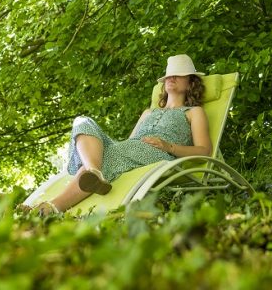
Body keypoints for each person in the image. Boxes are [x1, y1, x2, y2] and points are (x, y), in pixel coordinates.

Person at [27, 54, 212, 216]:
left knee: (107, 157)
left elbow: (204, 151)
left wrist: (169, 146)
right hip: (130, 149)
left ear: (190, 82)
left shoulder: (193, 112)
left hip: (156, 155)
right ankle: (94, 172)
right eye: (169, 74)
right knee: (82, 122)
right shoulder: (149, 112)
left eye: (178, 74)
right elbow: (130, 141)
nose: (171, 77)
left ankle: (50, 206)